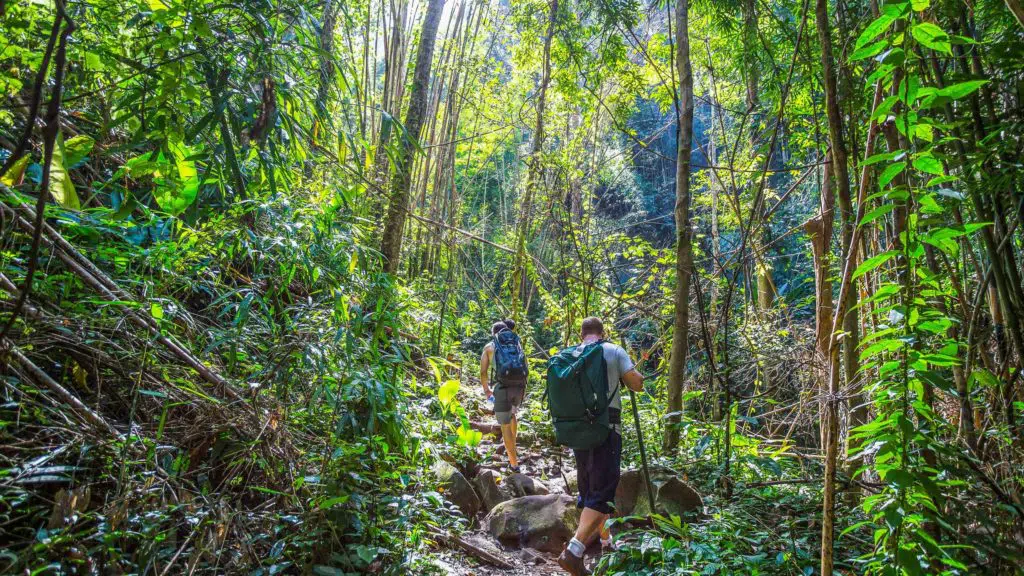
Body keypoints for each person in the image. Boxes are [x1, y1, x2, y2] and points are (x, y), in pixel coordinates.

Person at [558, 317, 644, 576]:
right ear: (603, 332)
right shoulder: (613, 350)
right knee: (603, 490)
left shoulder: (570, 354)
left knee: (590, 489)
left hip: (578, 433)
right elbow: (636, 384)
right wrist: (637, 372)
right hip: (606, 430)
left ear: (581, 334)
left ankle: (607, 542)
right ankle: (573, 551)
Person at [480, 321, 527, 472]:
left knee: (504, 424)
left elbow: (483, 372)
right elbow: (525, 365)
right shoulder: (517, 344)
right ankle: (513, 450)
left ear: (494, 333)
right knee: (512, 415)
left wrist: (487, 391)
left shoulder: (490, 346)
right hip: (519, 387)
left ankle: (513, 464)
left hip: (503, 387)